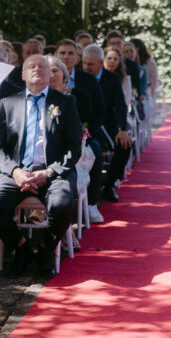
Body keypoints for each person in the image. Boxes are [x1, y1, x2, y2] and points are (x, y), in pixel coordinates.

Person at [0, 55, 82, 278]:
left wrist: (49, 172)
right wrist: (15, 172)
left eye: (43, 67)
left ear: (50, 74)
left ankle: (45, 249)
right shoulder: (7, 104)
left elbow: (74, 148)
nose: (37, 69)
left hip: (53, 172)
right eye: (31, 66)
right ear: (23, 74)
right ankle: (22, 248)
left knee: (63, 205)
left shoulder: (65, 102)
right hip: (17, 171)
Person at [57, 39, 106, 220]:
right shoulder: (48, 79)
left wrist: (84, 132)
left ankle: (92, 202)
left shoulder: (88, 81)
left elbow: (99, 111)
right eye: (62, 53)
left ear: (77, 58)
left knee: (96, 152)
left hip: (85, 132)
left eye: (70, 53)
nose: (66, 57)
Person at [81, 43, 133, 203]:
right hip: (86, 125)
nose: (87, 67)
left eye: (91, 64)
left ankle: (109, 185)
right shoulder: (80, 77)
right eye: (84, 63)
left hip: (108, 126)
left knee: (125, 145)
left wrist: (121, 129)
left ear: (100, 62)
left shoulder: (112, 78)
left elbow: (120, 106)